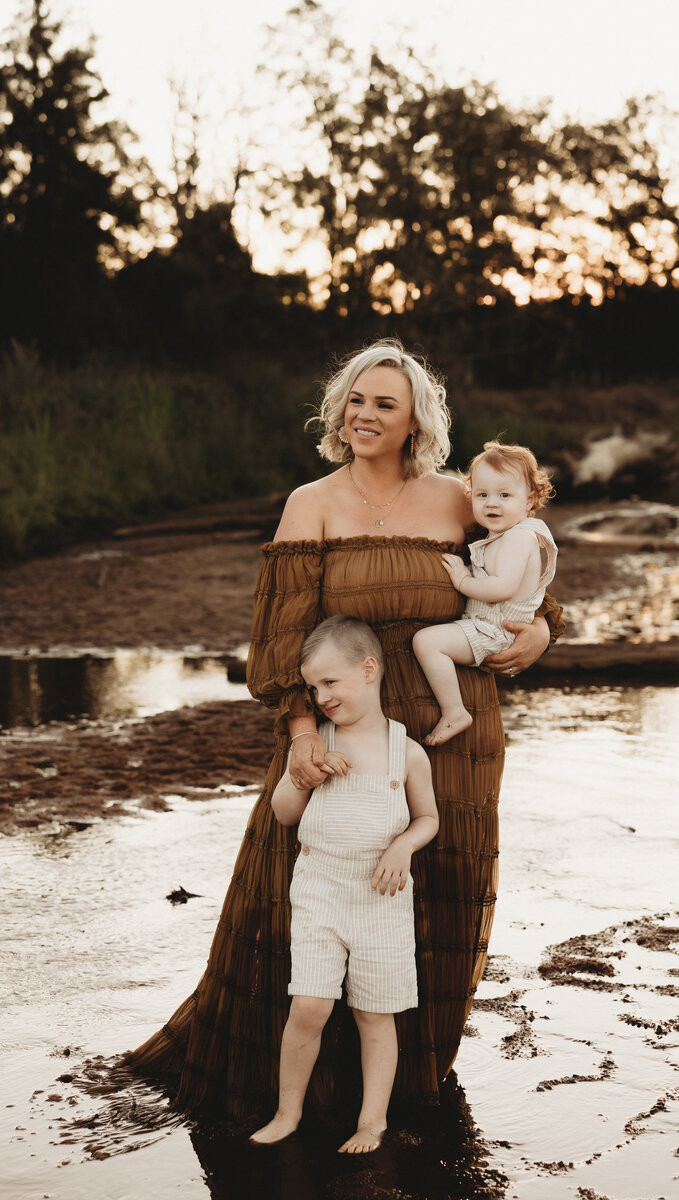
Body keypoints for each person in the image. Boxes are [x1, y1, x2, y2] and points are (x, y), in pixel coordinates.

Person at [126, 338, 564, 1123]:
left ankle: (403, 1090)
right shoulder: (311, 502)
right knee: (292, 895)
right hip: (338, 726)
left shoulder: (458, 500)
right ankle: (294, 1093)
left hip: (448, 735)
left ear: (413, 421)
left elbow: (523, 572)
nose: (365, 414)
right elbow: (281, 635)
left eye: (384, 404)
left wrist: (542, 636)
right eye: (356, 400)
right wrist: (300, 734)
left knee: (437, 897)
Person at [249, 615, 438, 1152]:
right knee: (309, 1005)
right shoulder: (316, 744)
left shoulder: (406, 751)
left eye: (330, 682)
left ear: (369, 669)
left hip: (381, 900)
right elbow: (285, 814)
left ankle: (371, 1120)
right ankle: (288, 1112)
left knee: (375, 1013)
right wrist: (301, 774)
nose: (322, 696)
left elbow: (428, 819)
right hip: (320, 894)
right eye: (313, 688)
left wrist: (403, 845)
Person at [413, 441, 557, 745]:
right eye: (482, 495)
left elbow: (502, 589)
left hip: (495, 631)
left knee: (427, 642)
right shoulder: (505, 535)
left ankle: (454, 711)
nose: (492, 503)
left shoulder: (518, 539)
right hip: (488, 626)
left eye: (504, 495)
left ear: (529, 500)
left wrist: (463, 580)